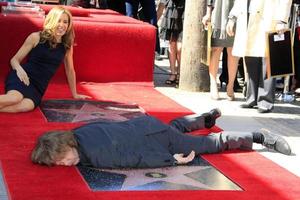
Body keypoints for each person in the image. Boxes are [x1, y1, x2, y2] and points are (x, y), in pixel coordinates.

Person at [31, 108, 291, 168]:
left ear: (65, 146)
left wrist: (171, 160)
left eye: (62, 158)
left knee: (209, 144)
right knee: (172, 127)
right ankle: (203, 119)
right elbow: (108, 124)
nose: (64, 164)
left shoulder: (96, 155)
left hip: (155, 140)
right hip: (145, 124)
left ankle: (258, 136)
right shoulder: (80, 132)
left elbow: (133, 159)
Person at [0, 6, 89, 113]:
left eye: (65, 22)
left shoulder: (67, 46)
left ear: (69, 25)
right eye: (58, 21)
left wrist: (75, 94)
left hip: (38, 87)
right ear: (51, 21)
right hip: (23, 76)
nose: (62, 25)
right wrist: (19, 70)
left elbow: (70, 70)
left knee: (25, 106)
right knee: (15, 99)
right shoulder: (36, 37)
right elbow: (14, 60)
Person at [226, 0, 293, 113]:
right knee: (250, 57)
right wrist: (232, 17)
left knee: (267, 60)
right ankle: (251, 97)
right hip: (247, 15)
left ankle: (265, 100)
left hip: (268, 15)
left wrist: (282, 19)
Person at [202, 0, 239, 100]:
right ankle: (213, 84)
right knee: (216, 49)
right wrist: (208, 13)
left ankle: (230, 85)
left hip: (238, 8)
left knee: (233, 51)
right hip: (218, 9)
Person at [157, 0, 185, 85]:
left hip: (185, 8)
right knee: (172, 43)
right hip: (172, 7)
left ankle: (181, 73)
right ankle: (173, 73)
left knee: (180, 47)